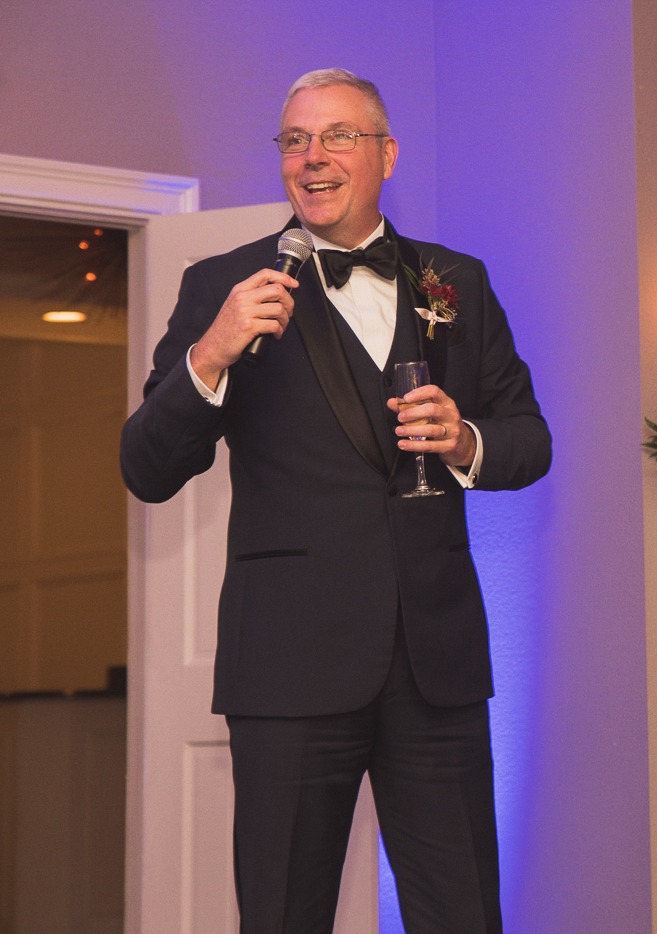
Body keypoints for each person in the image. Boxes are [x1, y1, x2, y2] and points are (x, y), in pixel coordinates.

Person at [120, 68, 551, 933]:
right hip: (289, 663)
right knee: (283, 913)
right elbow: (147, 466)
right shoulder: (222, 284)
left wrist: (466, 439)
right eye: (294, 140)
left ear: (386, 153)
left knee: (463, 911)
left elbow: (530, 439)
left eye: (337, 137)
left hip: (437, 666)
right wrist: (210, 353)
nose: (312, 159)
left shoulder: (454, 281)